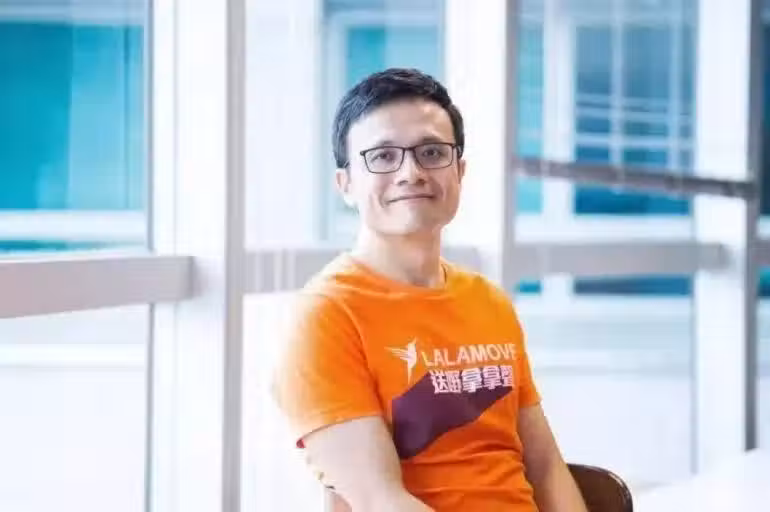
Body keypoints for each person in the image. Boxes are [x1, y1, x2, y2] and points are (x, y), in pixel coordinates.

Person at [271, 68, 587, 512]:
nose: (411, 172)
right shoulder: (326, 315)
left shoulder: (487, 301)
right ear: (346, 184)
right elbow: (381, 501)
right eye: (383, 156)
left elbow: (546, 467)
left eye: (432, 152)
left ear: (459, 171)